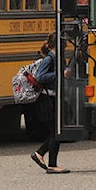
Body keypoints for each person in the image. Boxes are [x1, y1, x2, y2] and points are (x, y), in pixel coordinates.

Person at [30, 33, 70, 174]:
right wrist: (60, 74)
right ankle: (49, 162)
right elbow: (40, 77)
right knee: (56, 132)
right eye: (64, 43)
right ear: (58, 45)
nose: (66, 45)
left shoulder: (57, 58)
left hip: (54, 98)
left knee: (57, 131)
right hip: (48, 100)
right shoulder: (49, 59)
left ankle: (41, 155)